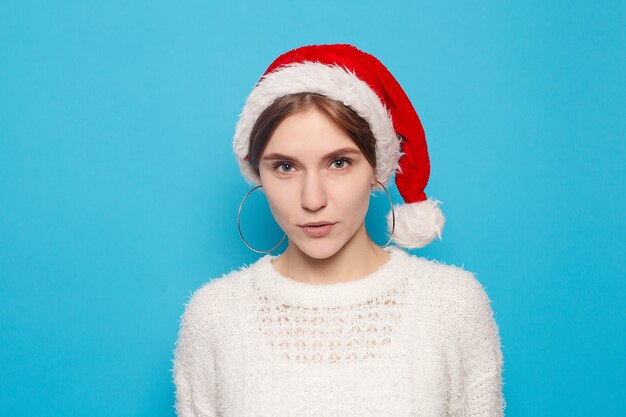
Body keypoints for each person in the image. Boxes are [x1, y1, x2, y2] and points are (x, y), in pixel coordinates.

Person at [172, 44, 505, 417]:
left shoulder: (452, 305)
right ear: (257, 172)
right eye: (285, 167)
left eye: (339, 162)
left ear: (377, 167)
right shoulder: (214, 315)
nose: (312, 199)